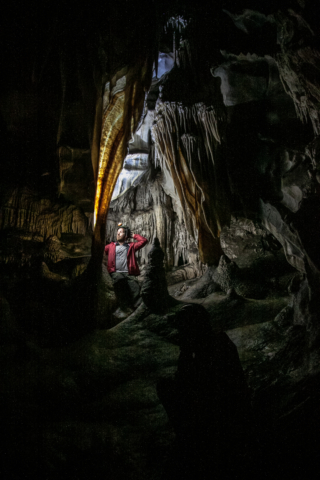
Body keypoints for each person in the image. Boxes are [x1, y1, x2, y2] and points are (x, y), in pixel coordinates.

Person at [104, 224, 148, 310]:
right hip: (115, 271)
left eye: (121, 232)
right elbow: (101, 251)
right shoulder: (110, 246)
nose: (118, 234)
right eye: (117, 232)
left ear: (126, 235)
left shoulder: (131, 246)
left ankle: (138, 306)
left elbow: (144, 241)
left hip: (128, 271)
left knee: (135, 286)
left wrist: (133, 235)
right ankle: (124, 307)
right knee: (119, 281)